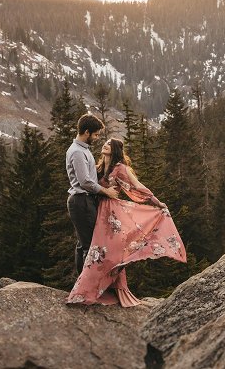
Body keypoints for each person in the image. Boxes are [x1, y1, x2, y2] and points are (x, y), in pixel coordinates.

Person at [67, 137, 187, 307]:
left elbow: (138, 186)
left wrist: (157, 203)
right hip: (94, 209)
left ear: (115, 149)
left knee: (106, 250)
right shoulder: (99, 167)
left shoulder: (120, 168)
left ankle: (109, 290)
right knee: (90, 247)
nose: (104, 144)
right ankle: (90, 288)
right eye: (105, 142)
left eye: (109, 144)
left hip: (110, 213)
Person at [67, 114, 120, 275]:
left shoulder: (83, 150)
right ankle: (85, 288)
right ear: (87, 132)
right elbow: (85, 182)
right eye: (96, 134)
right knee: (89, 245)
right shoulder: (77, 152)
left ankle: (82, 285)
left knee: (83, 243)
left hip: (83, 201)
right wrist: (107, 192)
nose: (97, 138)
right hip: (81, 200)